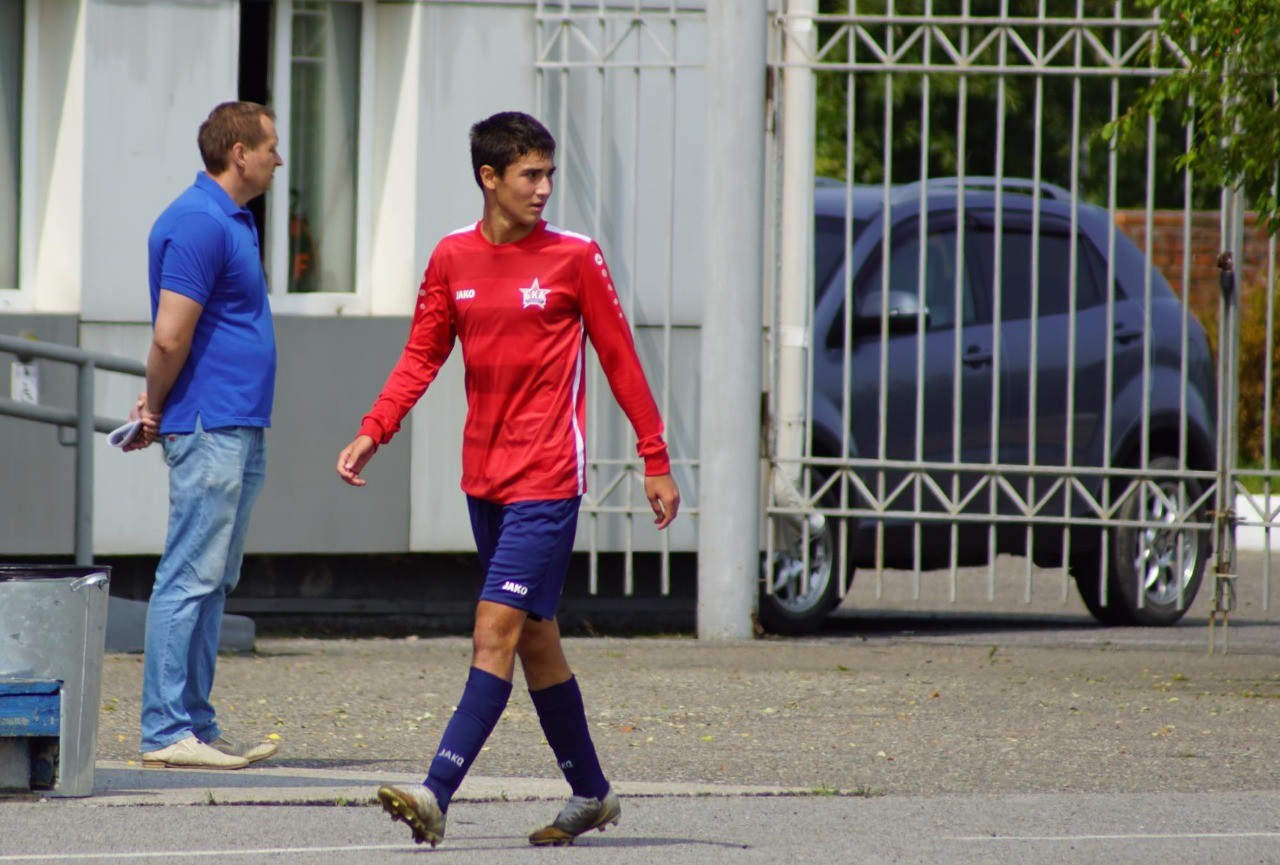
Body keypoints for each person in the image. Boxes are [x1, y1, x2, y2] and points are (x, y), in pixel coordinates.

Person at [336, 111, 680, 847]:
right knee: (536, 640)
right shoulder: (451, 257)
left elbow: (620, 357)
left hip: (547, 479)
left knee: (493, 631)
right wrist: (374, 429)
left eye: (549, 173)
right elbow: (421, 355)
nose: (544, 187)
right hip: (484, 481)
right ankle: (592, 792)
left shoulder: (575, 258)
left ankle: (434, 792)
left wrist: (655, 456)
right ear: (489, 178)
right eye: (530, 174)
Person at [130, 101, 284, 770]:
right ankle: (166, 730)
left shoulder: (231, 219)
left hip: (236, 421)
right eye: (271, 147)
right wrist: (156, 408)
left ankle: (193, 722)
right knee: (190, 574)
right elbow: (170, 335)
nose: (279, 158)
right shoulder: (198, 221)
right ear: (239, 153)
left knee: (214, 577)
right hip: (209, 423)